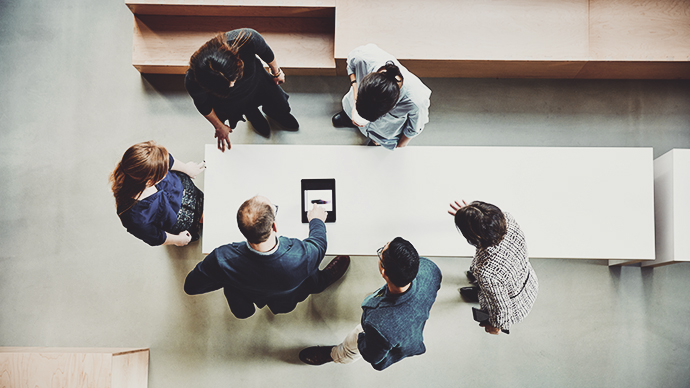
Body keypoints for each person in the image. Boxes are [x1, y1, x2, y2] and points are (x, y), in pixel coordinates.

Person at [184, 195, 350, 319]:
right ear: (274, 226)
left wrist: (227, 279)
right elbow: (319, 244)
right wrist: (316, 220)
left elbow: (191, 286)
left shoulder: (222, 259)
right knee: (311, 275)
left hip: (254, 294)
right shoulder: (301, 254)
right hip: (289, 296)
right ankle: (322, 281)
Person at [299, 237, 442, 371]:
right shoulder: (430, 269)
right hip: (408, 322)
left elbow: (373, 355)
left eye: (381, 253)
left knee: (352, 345)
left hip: (387, 334)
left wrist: (362, 339)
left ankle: (335, 355)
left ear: (383, 271)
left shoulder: (379, 326)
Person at [185, 28, 299, 151]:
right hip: (230, 100)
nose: (233, 85)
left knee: (281, 104)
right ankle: (252, 113)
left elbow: (266, 52)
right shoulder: (193, 79)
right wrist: (219, 126)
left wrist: (276, 72)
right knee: (246, 109)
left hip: (257, 81)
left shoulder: (247, 39)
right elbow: (203, 104)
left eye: (233, 80)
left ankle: (276, 113)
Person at [448, 200, 538, 335]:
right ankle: (482, 289)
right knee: (486, 282)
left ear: (475, 237)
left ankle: (482, 292)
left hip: (515, 303)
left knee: (490, 291)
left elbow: (502, 307)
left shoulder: (487, 273)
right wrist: (472, 217)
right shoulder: (508, 219)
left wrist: (497, 326)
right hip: (526, 280)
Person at [331, 44, 431, 150]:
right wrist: (355, 95)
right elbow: (351, 64)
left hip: (383, 133)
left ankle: (376, 141)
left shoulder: (416, 101)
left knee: (376, 147)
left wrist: (400, 145)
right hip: (351, 106)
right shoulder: (363, 58)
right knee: (349, 113)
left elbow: (414, 128)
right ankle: (348, 116)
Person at [110, 141, 205, 246]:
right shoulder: (132, 215)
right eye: (163, 172)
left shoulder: (151, 159)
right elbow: (155, 236)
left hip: (183, 190)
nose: (167, 168)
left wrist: (188, 169)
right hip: (179, 218)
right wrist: (178, 240)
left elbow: (168, 160)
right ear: (150, 182)